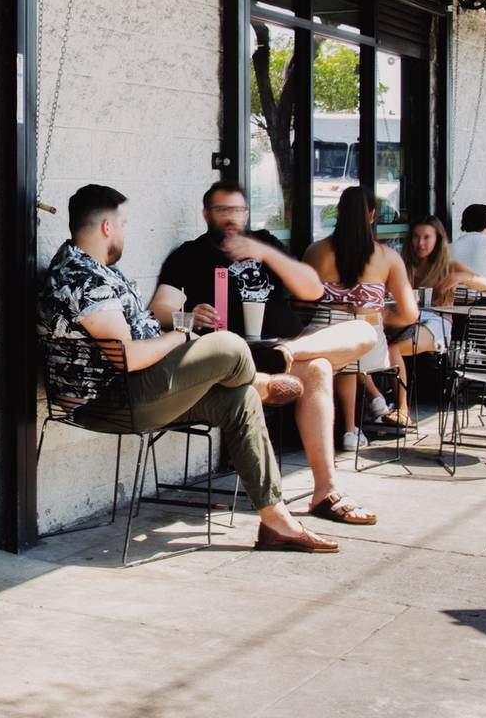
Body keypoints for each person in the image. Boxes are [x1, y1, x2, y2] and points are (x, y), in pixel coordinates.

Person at [41, 183, 338, 553]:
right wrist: (181, 337)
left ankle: (275, 520)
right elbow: (127, 357)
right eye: (124, 224)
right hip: (112, 399)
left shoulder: (96, 269)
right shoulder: (80, 277)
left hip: (139, 387)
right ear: (106, 227)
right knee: (228, 344)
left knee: (239, 400)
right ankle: (261, 381)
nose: (124, 232)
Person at [151, 181, 378, 526]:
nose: (232, 218)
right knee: (316, 368)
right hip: (235, 360)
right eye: (223, 210)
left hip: (281, 351)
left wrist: (266, 253)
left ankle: (286, 354)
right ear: (206, 215)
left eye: (239, 210)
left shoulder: (266, 244)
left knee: (360, 334)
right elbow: (159, 309)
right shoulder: (189, 255)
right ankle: (324, 489)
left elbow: (313, 289)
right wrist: (189, 315)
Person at [303, 187, 418, 444]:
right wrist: (382, 317)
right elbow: (410, 313)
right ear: (372, 215)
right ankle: (352, 428)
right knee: (354, 352)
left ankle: (351, 426)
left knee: (343, 356)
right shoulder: (388, 257)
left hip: (323, 333)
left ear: (339, 214)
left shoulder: (315, 251)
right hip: (367, 335)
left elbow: (301, 297)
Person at [384, 217, 486, 422]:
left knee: (393, 349)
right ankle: (375, 401)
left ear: (438, 240)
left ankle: (402, 410)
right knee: (370, 341)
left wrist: (463, 278)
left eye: (427, 237)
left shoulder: (449, 266)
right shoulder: (402, 265)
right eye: (416, 237)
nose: (421, 243)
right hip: (404, 318)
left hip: (436, 323)